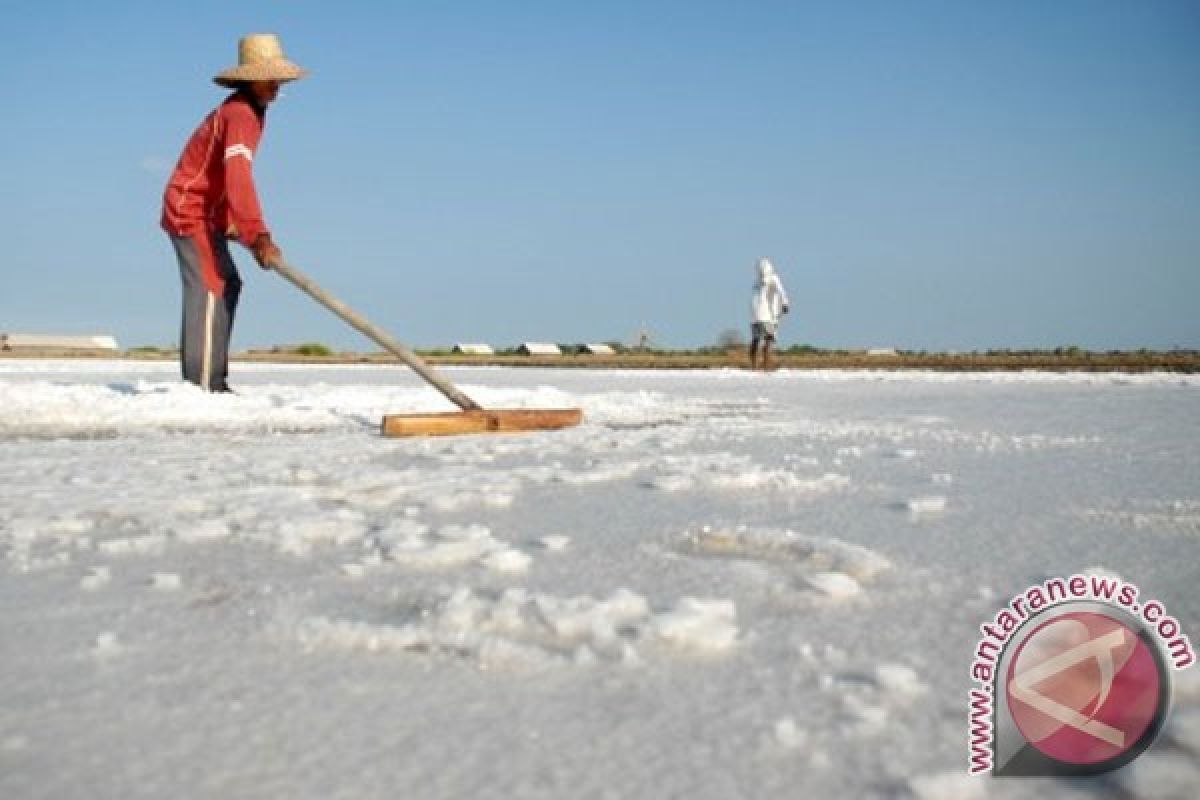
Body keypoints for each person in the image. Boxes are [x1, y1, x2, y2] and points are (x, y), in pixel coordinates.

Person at [160, 34, 308, 392]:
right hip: (190, 209)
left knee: (230, 284)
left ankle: (213, 379)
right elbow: (238, 175)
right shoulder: (240, 113)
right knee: (213, 285)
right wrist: (257, 234)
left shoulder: (251, 113)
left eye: (278, 79)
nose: (275, 86)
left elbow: (224, 176)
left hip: (210, 212)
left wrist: (233, 222)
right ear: (248, 79)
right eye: (267, 78)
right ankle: (204, 386)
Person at [749, 257, 790, 370]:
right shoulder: (773, 278)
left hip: (755, 316)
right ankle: (766, 367)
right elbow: (781, 291)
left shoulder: (757, 281)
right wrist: (785, 304)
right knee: (768, 340)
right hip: (767, 315)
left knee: (756, 340)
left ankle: (754, 367)